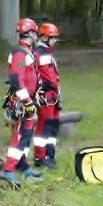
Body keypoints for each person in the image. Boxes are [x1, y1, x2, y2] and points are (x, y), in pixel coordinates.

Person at [0, 18, 44, 188]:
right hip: (21, 101)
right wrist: (27, 101)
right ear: (31, 33)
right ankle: (8, 170)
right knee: (19, 136)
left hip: (27, 99)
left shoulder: (26, 51)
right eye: (35, 33)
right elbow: (17, 80)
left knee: (25, 135)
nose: (36, 36)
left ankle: (22, 165)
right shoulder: (20, 53)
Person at [33, 22, 61, 169]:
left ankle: (49, 155)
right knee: (44, 127)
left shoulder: (46, 53)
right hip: (46, 96)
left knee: (52, 126)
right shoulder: (39, 53)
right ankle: (40, 157)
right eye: (53, 37)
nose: (55, 40)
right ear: (44, 37)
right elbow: (46, 78)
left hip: (53, 96)